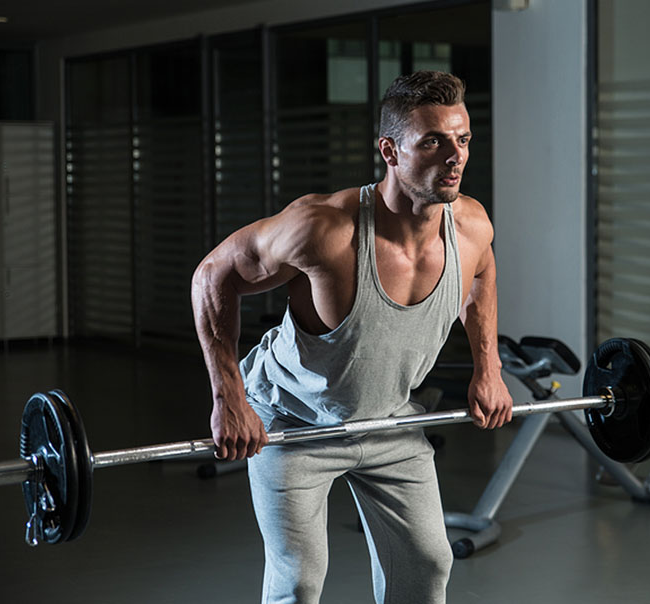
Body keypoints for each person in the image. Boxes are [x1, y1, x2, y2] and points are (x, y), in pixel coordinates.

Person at [191, 70, 513, 604]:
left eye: (462, 140)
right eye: (432, 142)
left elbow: (480, 276)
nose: (453, 156)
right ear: (389, 151)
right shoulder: (325, 230)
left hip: (389, 417)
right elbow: (213, 276)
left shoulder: (471, 227)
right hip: (290, 420)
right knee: (298, 581)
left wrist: (489, 367)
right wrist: (230, 398)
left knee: (429, 566)